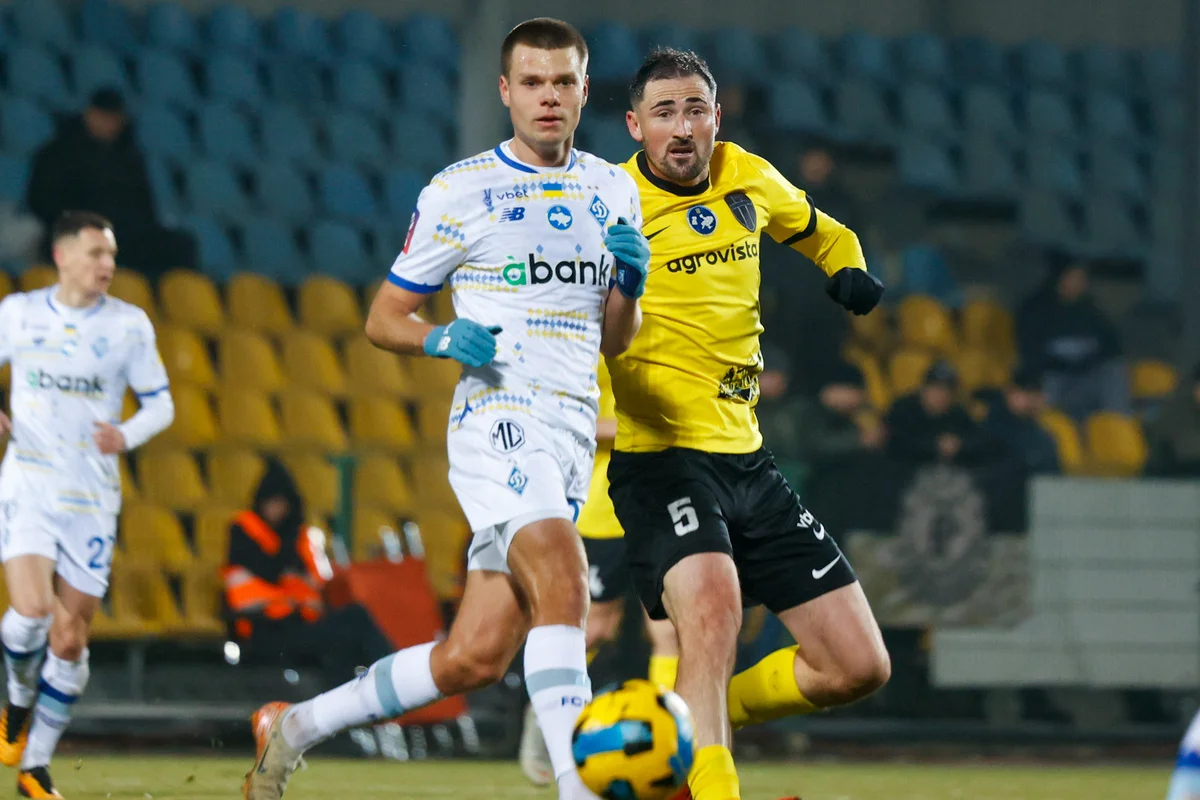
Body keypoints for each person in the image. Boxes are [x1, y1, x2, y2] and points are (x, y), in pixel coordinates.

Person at [242, 18, 649, 800]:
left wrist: (629, 289)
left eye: (563, 82)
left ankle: (293, 725)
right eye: (532, 82)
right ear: (505, 92)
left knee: (474, 657)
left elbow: (615, 342)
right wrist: (439, 339)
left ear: (583, 91)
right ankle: (580, 788)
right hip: (498, 419)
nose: (548, 96)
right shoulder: (461, 190)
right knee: (566, 577)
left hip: (568, 429)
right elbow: (384, 316)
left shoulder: (613, 188)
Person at [606, 49, 891, 800]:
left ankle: (696, 720)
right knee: (713, 609)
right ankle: (711, 776)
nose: (681, 126)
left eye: (694, 109)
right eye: (663, 112)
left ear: (716, 118)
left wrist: (847, 267)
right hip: (662, 458)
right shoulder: (611, 204)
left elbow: (825, 232)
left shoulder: (748, 175)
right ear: (635, 125)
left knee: (858, 666)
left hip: (749, 461)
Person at [0, 211, 174, 798]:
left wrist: (125, 434)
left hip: (91, 497)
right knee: (31, 611)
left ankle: (34, 767)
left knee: (70, 641)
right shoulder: (19, 313)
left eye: (112, 255)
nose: (107, 265)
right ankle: (17, 703)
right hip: (28, 482)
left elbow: (161, 403)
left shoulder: (128, 325)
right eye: (97, 253)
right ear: (62, 256)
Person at [517, 357, 680, 786]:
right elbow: (564, 421)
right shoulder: (585, 344)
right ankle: (546, 711)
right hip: (603, 510)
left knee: (669, 630)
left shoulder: (669, 339)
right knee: (596, 629)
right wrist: (645, 431)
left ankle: (669, 744)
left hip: (661, 507)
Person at [224, 460, 393, 691]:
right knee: (351, 624)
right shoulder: (245, 535)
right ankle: (391, 677)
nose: (277, 509)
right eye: (272, 502)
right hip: (264, 631)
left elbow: (313, 582)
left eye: (282, 503)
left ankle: (360, 695)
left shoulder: (297, 538)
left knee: (348, 633)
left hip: (298, 624)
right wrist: (295, 592)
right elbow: (269, 576)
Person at [25, 88, 197, 278]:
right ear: (90, 114)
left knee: (180, 246)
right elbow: (41, 201)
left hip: (125, 234)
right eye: (104, 117)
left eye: (114, 119)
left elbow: (144, 205)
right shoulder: (57, 153)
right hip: (79, 232)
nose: (109, 124)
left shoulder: (129, 157)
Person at [1016, 259, 1128, 422]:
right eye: (1072, 278)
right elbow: (1030, 355)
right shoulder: (1035, 310)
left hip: (1083, 378)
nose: (1077, 284)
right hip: (1053, 380)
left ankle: (1117, 425)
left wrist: (1087, 362)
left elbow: (1113, 348)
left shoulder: (1091, 312)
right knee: (1047, 382)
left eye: (1081, 279)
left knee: (1113, 372)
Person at [886, 362, 989, 467]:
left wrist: (960, 444)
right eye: (936, 389)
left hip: (948, 472)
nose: (942, 395)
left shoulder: (956, 412)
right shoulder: (903, 409)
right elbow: (896, 444)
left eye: (947, 390)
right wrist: (935, 446)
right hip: (907, 470)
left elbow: (981, 440)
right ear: (923, 389)